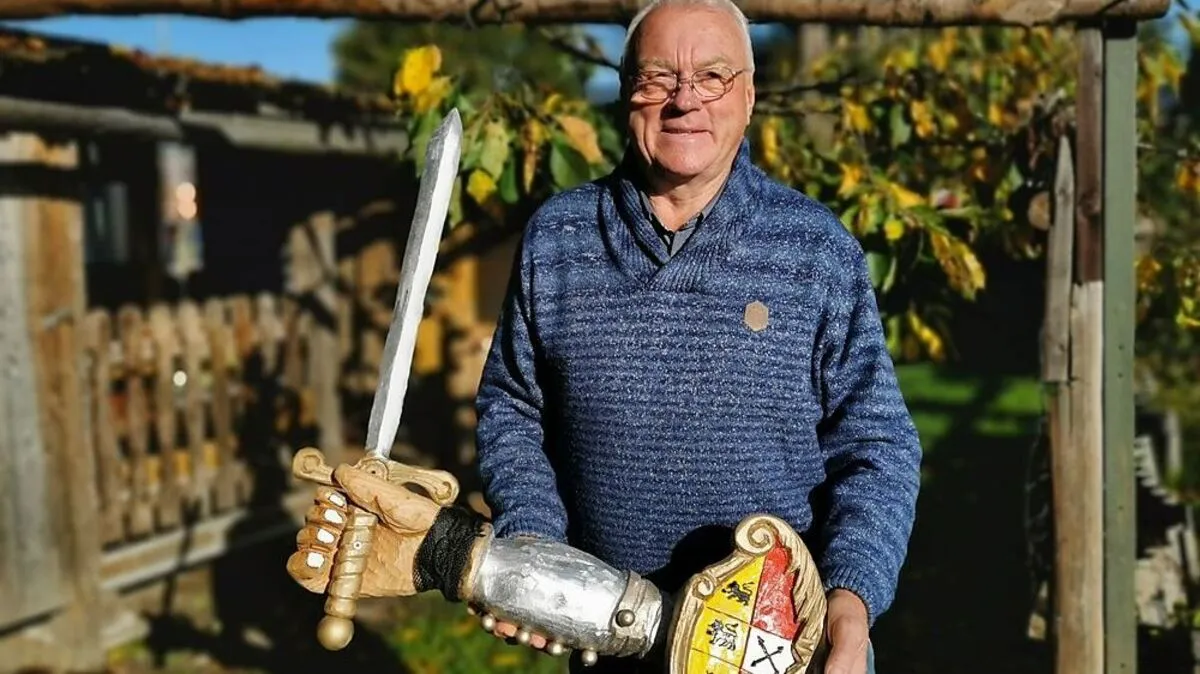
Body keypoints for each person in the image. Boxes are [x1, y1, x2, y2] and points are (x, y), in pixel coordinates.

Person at [472, 0, 923, 672]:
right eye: (658, 77)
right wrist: (534, 541)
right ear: (625, 93)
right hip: (610, 637)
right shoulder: (559, 238)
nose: (685, 101)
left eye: (712, 76)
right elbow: (513, 406)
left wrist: (851, 597)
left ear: (749, 95)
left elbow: (878, 442)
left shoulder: (815, 250)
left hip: (779, 646)